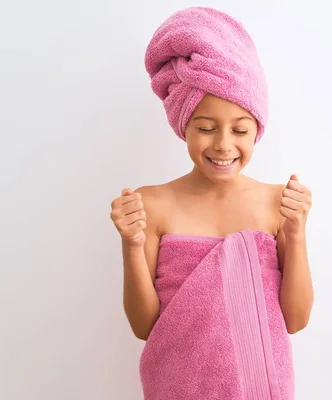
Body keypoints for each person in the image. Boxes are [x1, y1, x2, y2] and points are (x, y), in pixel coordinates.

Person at [109, 7, 313, 400]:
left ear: (258, 130)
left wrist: (297, 233)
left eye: (240, 129)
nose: (222, 144)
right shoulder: (152, 204)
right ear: (183, 125)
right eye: (205, 128)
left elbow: (296, 319)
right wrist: (131, 244)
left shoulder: (276, 202)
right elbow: (143, 325)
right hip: (176, 388)